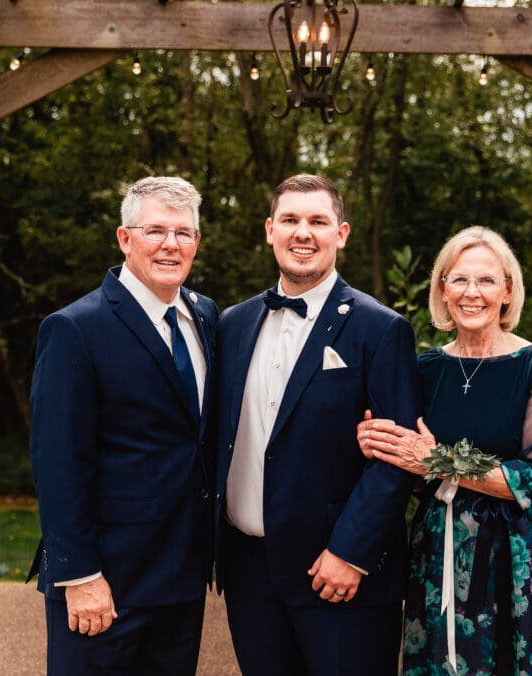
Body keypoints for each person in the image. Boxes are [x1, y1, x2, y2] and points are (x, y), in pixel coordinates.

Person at [214, 173, 423, 675]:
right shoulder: (232, 324)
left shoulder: (381, 328)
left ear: (341, 234)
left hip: (338, 570)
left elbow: (396, 457)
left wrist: (350, 552)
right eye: (290, 219)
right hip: (249, 572)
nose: (302, 232)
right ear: (269, 230)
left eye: (317, 221)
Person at [357, 226, 532, 675]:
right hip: (438, 549)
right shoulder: (424, 369)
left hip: (516, 552)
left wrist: (438, 461)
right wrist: (375, 443)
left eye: (486, 280)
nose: (471, 293)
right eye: (458, 279)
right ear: (442, 289)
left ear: (507, 290)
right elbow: (410, 466)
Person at [27, 176, 217, 675]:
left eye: (184, 233)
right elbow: (58, 462)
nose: (171, 244)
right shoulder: (75, 328)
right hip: (107, 579)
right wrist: (79, 575)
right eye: (155, 230)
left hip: (181, 576)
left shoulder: (205, 315)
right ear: (124, 238)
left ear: (197, 242)